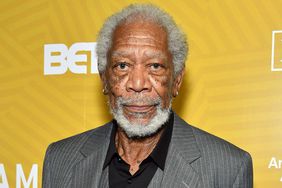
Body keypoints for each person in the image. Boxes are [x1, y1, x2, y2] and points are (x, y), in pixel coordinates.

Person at [42, 4, 253, 188]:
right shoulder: (60, 160)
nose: (137, 84)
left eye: (155, 66)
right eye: (123, 66)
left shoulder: (228, 168)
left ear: (176, 81)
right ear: (104, 79)